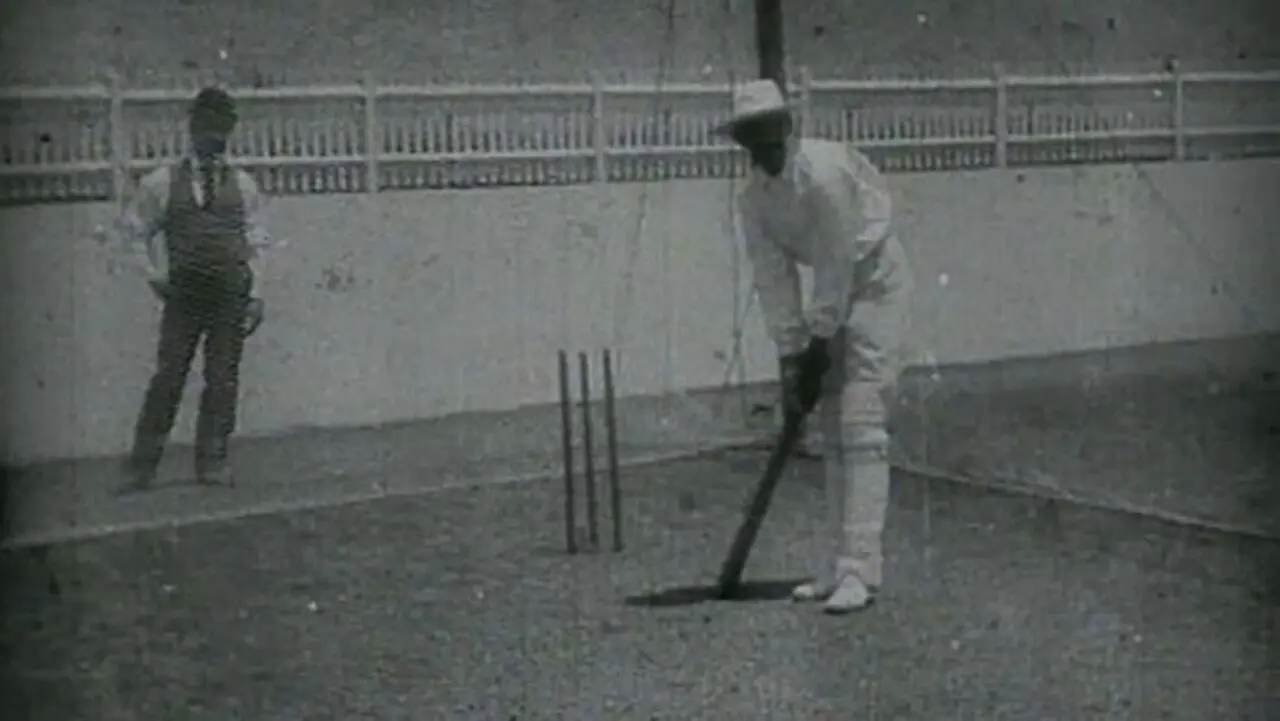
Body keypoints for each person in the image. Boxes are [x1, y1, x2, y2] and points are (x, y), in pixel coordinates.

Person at [718, 79, 914, 614]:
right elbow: (773, 279)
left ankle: (861, 572)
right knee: (830, 432)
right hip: (836, 287)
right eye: (751, 135)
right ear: (742, 141)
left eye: (771, 130)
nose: (764, 145)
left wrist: (819, 342)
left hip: (875, 281)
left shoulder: (824, 175)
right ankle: (833, 566)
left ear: (787, 125)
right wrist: (790, 356)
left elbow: (835, 262)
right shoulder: (753, 200)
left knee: (861, 423)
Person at [104, 86, 274, 491]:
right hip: (185, 294)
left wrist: (257, 295)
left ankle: (212, 462)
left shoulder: (244, 185)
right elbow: (133, 233)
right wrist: (154, 275)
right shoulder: (162, 182)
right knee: (169, 376)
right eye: (206, 127)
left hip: (230, 294)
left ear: (229, 132)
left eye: (221, 128)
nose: (213, 136)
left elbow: (257, 242)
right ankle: (141, 467)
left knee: (222, 378)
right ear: (192, 128)